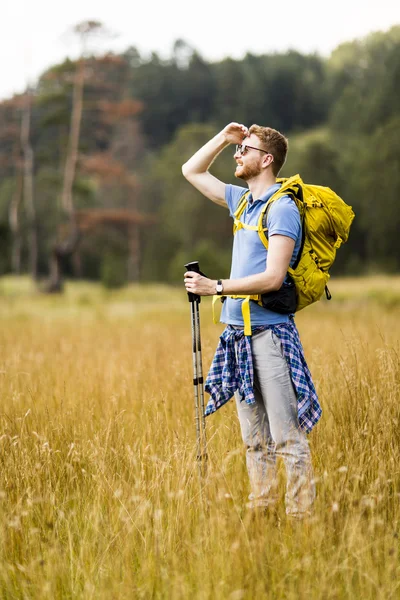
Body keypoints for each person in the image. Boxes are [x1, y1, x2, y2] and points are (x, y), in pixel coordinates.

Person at [182, 122, 321, 519]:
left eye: (246, 149)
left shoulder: (283, 208)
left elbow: (274, 277)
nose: (237, 155)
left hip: (271, 336)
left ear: (267, 159)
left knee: (287, 438)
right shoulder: (242, 202)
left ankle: (300, 523)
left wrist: (217, 286)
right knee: (253, 441)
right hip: (237, 337)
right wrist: (225, 138)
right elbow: (191, 171)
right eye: (236, 149)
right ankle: (262, 517)